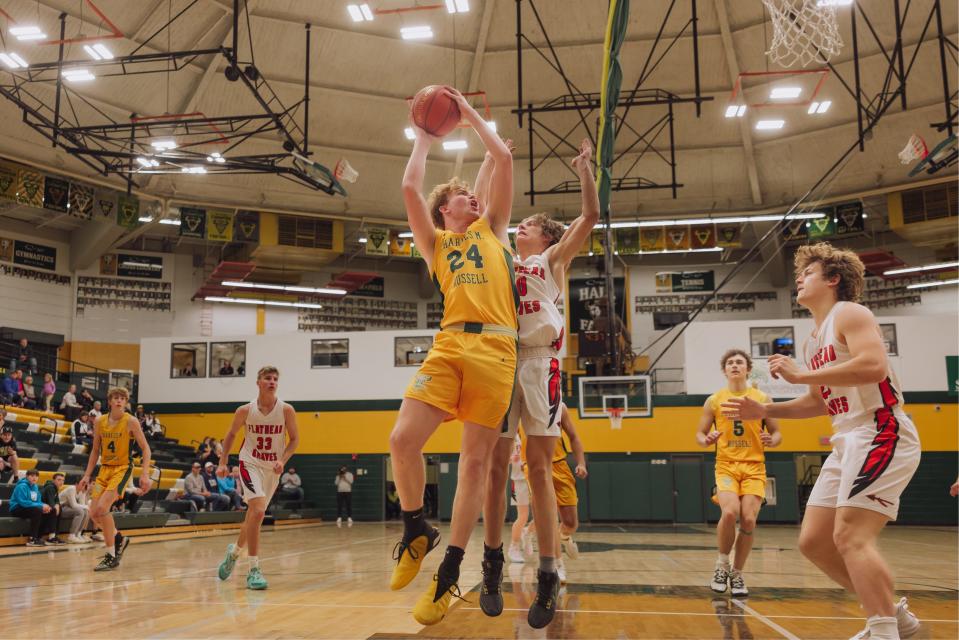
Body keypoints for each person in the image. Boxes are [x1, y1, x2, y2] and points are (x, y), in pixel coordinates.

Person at [722, 243, 921, 640]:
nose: (799, 278)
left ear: (833, 280)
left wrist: (799, 377)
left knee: (850, 535)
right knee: (814, 541)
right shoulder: (814, 341)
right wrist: (765, 411)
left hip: (881, 429)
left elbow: (873, 366)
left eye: (808, 273)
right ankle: (892, 615)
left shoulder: (850, 312)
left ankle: (882, 629)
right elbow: (817, 401)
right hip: (846, 436)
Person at [389, 86, 517, 627]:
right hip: (448, 343)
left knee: (474, 465)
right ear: (448, 209)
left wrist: (467, 116)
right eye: (465, 195)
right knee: (401, 441)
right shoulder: (437, 243)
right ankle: (417, 525)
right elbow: (409, 186)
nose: (474, 198)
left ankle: (450, 573)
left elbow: (504, 158)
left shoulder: (493, 229)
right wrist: (423, 137)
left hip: (495, 347)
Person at [479, 139, 598, 627]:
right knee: (493, 466)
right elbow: (488, 214)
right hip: (503, 359)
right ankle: (491, 564)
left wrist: (584, 168)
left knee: (539, 468)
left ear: (546, 237)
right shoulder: (502, 256)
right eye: (519, 223)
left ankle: (548, 572)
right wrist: (491, 158)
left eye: (528, 224)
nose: (520, 225)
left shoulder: (551, 261)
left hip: (542, 364)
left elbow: (589, 216)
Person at [697, 348, 782, 597]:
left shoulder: (762, 398)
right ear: (725, 370)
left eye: (740, 362)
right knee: (730, 511)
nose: (735, 365)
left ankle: (738, 573)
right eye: (730, 363)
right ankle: (722, 564)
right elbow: (700, 434)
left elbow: (777, 434)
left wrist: (771, 439)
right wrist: (706, 439)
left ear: (748, 369)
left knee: (748, 520)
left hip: (754, 466)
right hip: (726, 465)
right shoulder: (714, 400)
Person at [216, 365, 299, 590]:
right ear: (258, 382)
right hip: (249, 462)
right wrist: (223, 462)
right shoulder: (245, 410)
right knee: (259, 511)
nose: (272, 382)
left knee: (254, 515)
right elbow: (232, 434)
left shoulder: (286, 410)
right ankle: (253, 569)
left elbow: (294, 440)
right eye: (267, 378)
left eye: (275, 379)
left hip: (272, 468)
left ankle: (233, 553)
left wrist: (283, 459)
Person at [77, 386, 152, 571]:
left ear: (126, 402)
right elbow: (95, 450)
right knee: (93, 512)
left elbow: (145, 448)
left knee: (103, 508)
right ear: (110, 401)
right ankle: (119, 538)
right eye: (116, 397)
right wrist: (87, 475)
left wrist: (145, 473)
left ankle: (111, 556)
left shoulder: (131, 421)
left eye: (122, 398)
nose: (119, 400)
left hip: (122, 469)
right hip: (104, 470)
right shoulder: (100, 421)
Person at [9, 469, 55, 546]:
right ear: (27, 476)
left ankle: (38, 537)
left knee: (50, 510)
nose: (35, 478)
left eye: (36, 476)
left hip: (30, 508)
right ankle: (32, 539)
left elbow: (38, 501)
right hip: (17, 508)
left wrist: (45, 506)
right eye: (32, 476)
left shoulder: (35, 487)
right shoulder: (21, 486)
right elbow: (23, 502)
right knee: (37, 510)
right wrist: (40, 506)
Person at [506, 437, 531, 564]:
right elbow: (502, 457)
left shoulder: (531, 431)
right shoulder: (512, 436)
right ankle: (514, 547)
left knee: (545, 514)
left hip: (535, 477)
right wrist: (511, 459)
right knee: (523, 516)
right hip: (519, 480)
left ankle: (527, 532)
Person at [40, 473, 67, 545]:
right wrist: (56, 506)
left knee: (58, 508)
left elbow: (56, 500)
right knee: (54, 510)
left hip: (46, 508)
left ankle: (55, 536)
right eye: (59, 480)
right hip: (41, 508)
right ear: (54, 480)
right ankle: (51, 537)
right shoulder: (50, 487)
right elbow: (50, 502)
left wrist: (57, 505)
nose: (61, 482)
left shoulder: (55, 488)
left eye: (63, 480)